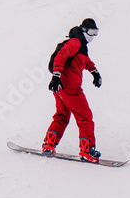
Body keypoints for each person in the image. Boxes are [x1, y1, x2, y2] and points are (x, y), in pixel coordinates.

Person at [42, 18, 103, 163]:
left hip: (60, 88)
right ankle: (87, 150)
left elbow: (85, 61)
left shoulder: (81, 46)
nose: (93, 36)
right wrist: (56, 76)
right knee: (85, 117)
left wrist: (95, 72)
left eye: (96, 33)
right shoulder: (75, 42)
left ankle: (49, 144)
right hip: (70, 88)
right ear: (84, 31)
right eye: (91, 32)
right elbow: (60, 57)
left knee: (62, 115)